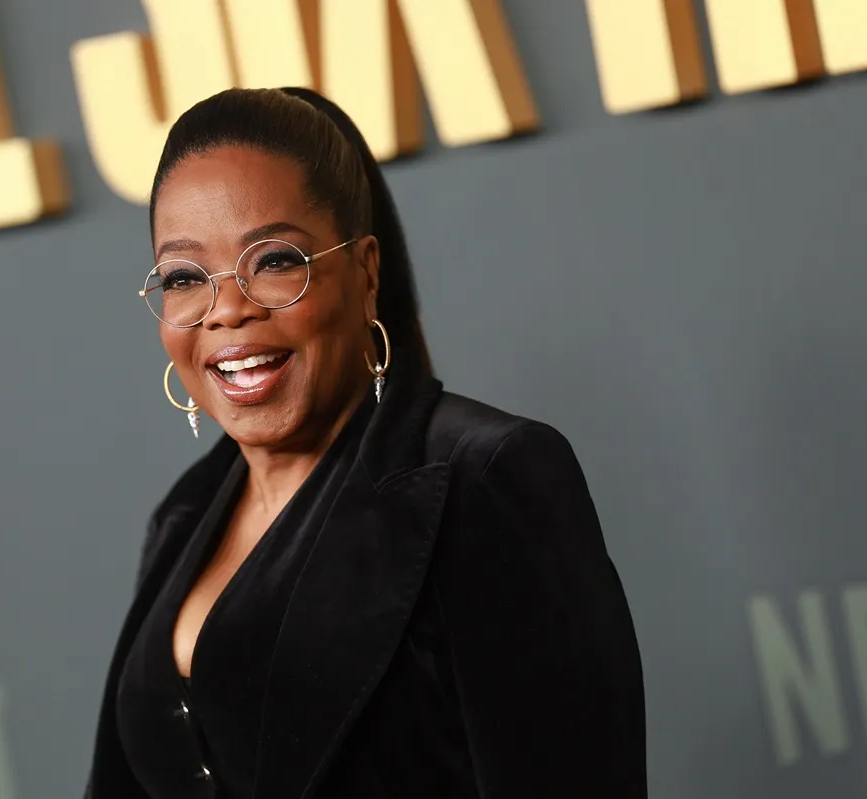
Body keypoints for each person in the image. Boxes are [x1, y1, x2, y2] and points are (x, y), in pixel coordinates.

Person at [83, 86, 646, 798]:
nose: (227, 309)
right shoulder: (186, 513)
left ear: (366, 271)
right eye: (185, 277)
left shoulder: (485, 477)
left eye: (275, 260)